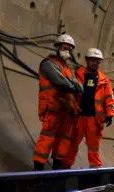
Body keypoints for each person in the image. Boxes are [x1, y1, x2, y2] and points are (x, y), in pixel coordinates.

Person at [33, 34, 83, 171]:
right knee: (47, 137)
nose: (68, 50)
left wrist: (73, 84)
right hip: (54, 108)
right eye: (65, 47)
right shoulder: (49, 64)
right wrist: (73, 85)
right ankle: (38, 169)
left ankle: (57, 168)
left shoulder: (67, 68)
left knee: (64, 140)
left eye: (70, 48)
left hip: (66, 110)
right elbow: (62, 83)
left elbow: (80, 87)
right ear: (58, 47)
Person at [63, 48, 114, 169]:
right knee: (73, 144)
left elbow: (109, 98)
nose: (94, 63)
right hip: (79, 116)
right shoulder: (78, 75)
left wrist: (110, 113)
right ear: (87, 60)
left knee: (93, 147)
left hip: (94, 119)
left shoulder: (104, 80)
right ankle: (65, 167)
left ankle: (96, 170)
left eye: (97, 61)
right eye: (92, 60)